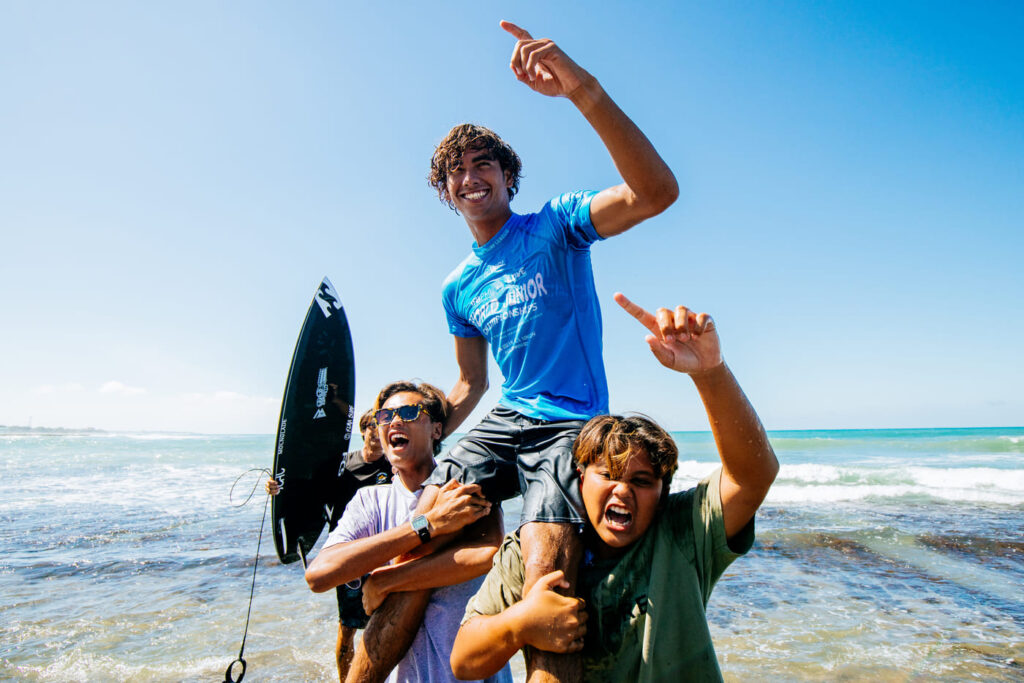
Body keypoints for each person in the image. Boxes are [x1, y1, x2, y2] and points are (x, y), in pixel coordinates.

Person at [391, 21, 679, 682]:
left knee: (547, 583)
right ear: (444, 191)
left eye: (482, 163)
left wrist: (581, 89)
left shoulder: (556, 225)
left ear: (507, 178)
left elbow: (655, 193)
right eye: (456, 170)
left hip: (569, 422)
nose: (470, 176)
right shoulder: (457, 286)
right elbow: (467, 387)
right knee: (416, 537)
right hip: (502, 422)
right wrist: (403, 439)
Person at [449, 294, 780, 681]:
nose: (622, 491)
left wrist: (710, 372)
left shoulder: (682, 530)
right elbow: (464, 661)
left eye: (642, 481)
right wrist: (519, 623)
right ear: (579, 477)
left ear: (663, 491)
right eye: (607, 475)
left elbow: (753, 475)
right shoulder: (529, 548)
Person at [304, 381, 512, 683]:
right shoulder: (370, 500)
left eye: (409, 412)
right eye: (385, 416)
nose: (395, 421)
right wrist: (426, 526)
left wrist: (386, 581)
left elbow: (487, 554)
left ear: (437, 430)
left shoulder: (464, 484)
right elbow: (319, 575)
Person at [266, 409, 393, 681]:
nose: (375, 432)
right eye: (370, 426)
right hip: (347, 556)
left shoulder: (394, 468)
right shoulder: (343, 466)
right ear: (362, 431)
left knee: (386, 627)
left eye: (379, 426)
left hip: (384, 555)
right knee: (348, 628)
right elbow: (307, 493)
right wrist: (279, 489)